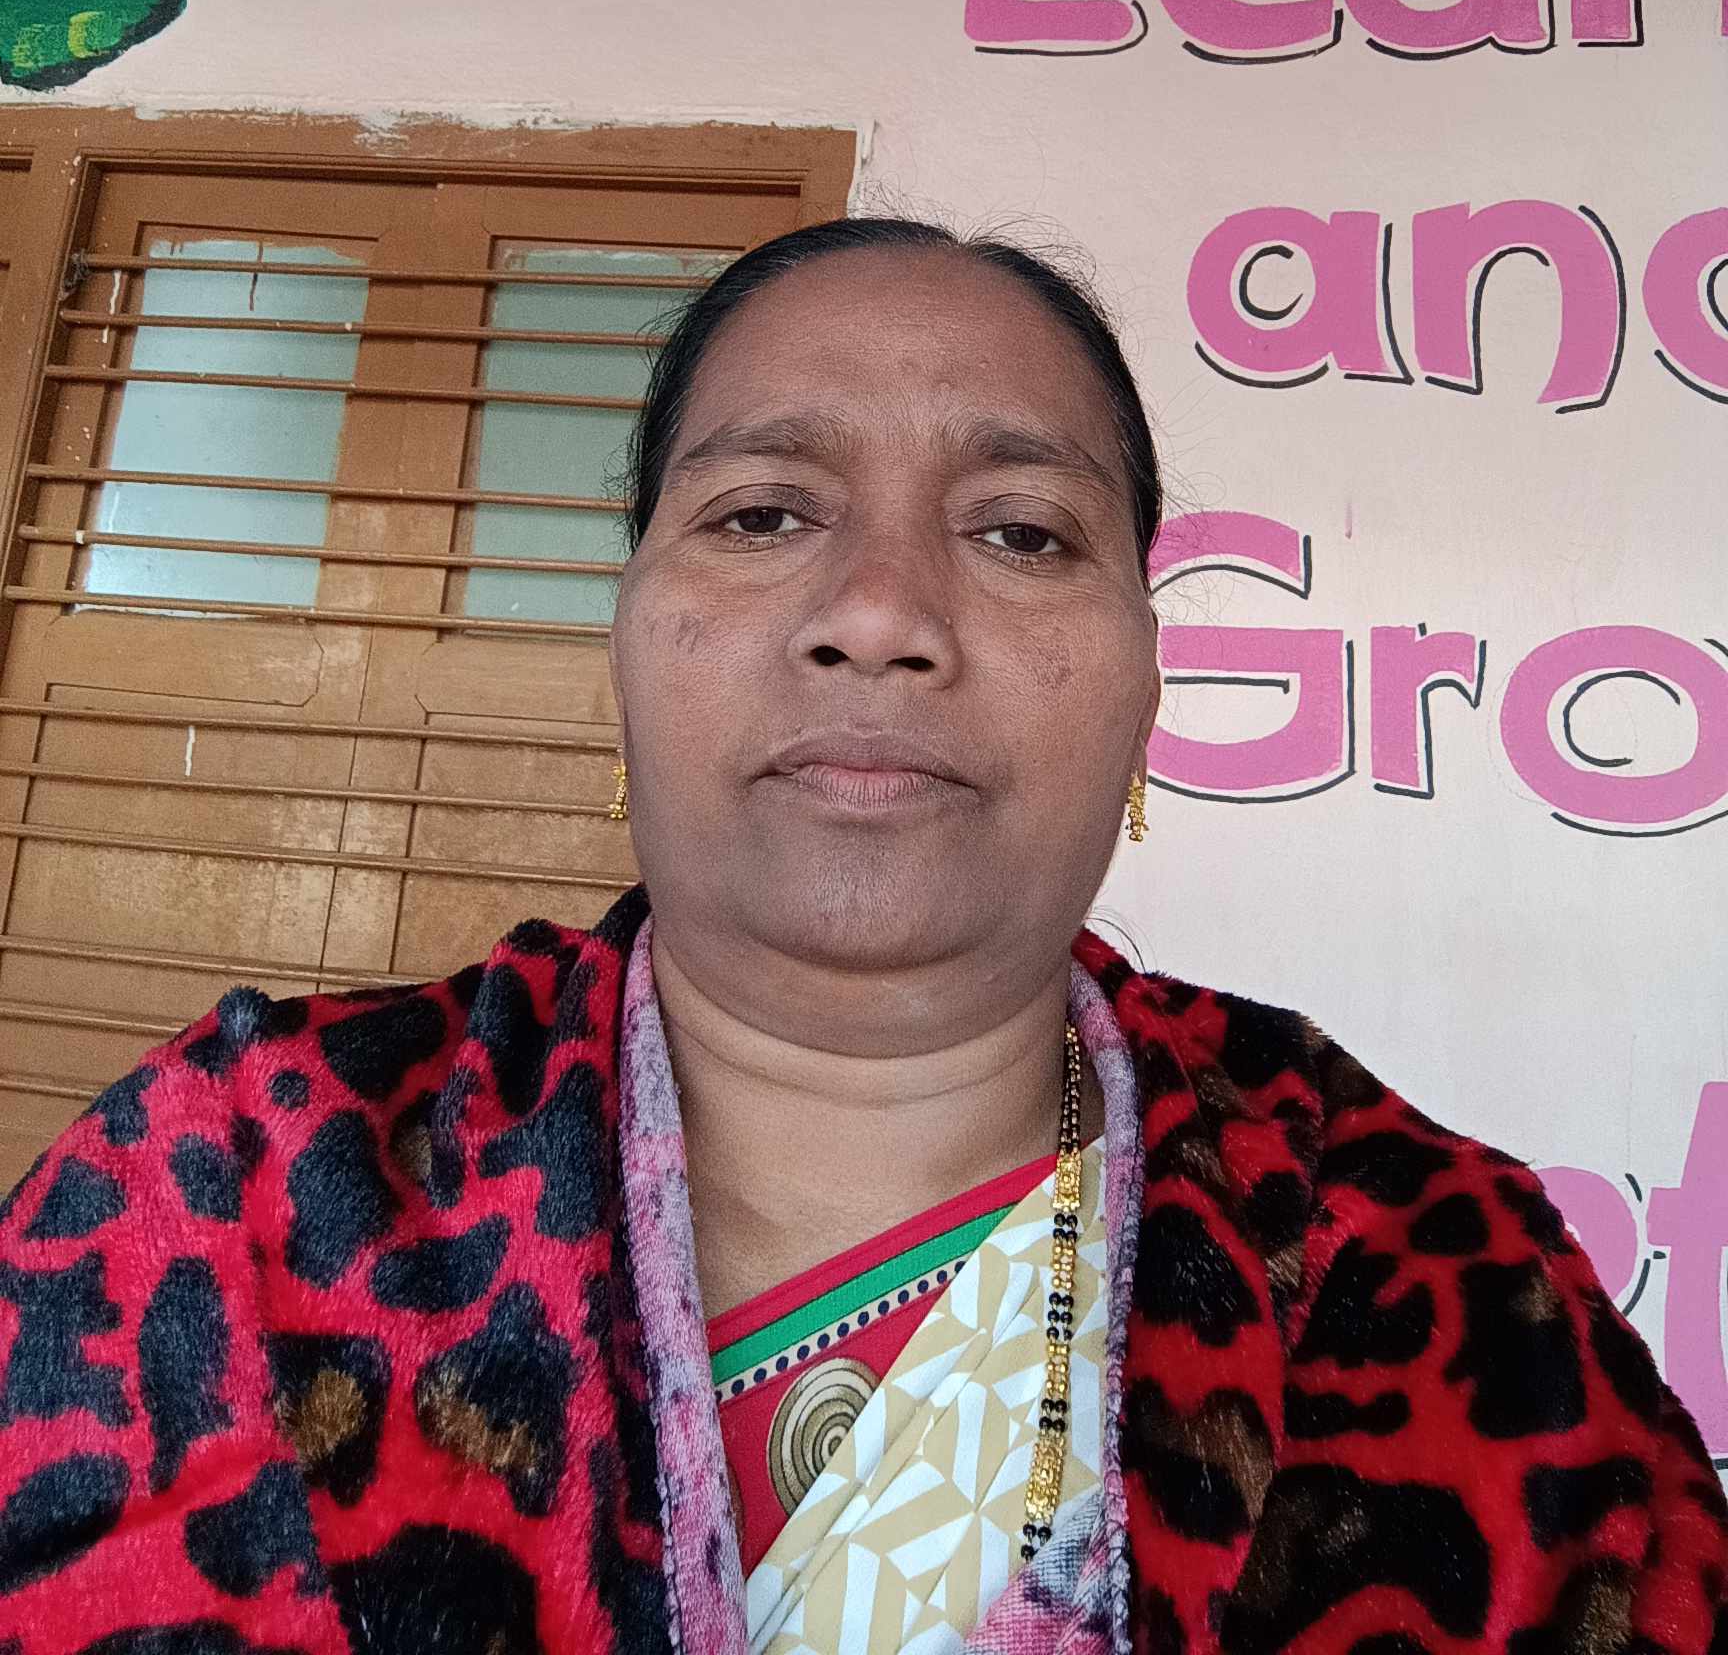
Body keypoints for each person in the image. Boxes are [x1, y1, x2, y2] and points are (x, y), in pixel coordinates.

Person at [0, 216, 1720, 1655]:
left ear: (1145, 680)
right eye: (762, 514)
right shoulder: (241, 1178)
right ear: (624, 635)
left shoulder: (1420, 1266)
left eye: (1022, 533)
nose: (882, 614)